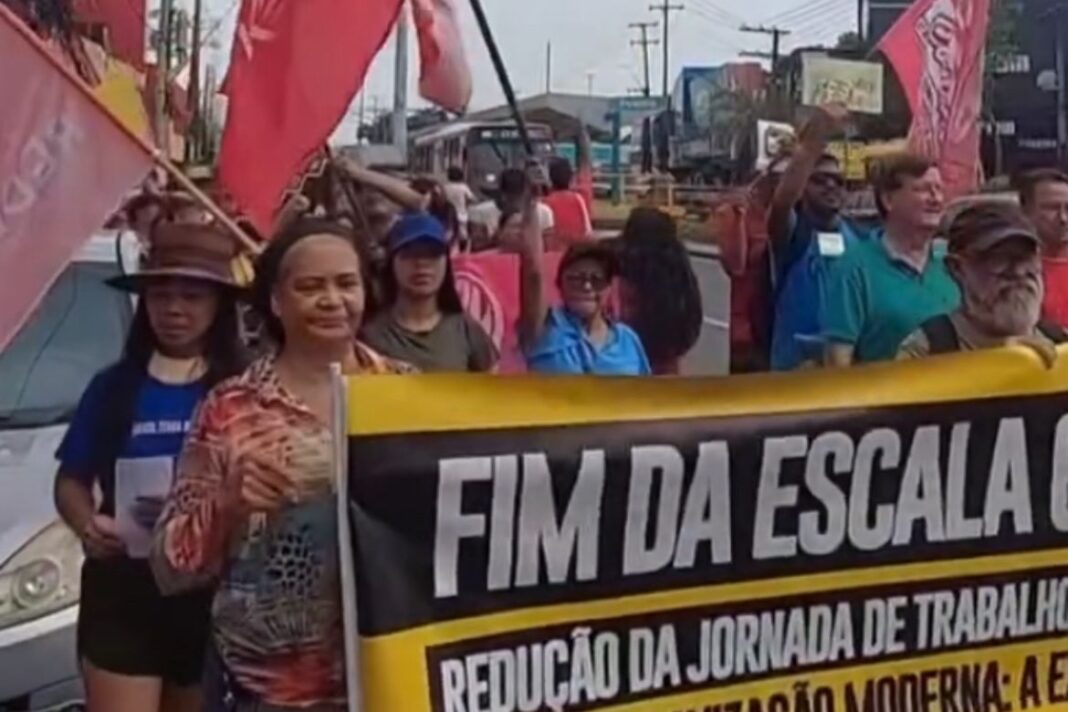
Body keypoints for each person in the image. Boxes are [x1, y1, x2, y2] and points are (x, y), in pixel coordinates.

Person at [151, 218, 414, 712]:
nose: (332, 300)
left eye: (346, 283)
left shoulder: (410, 394)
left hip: (390, 680)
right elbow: (169, 568)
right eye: (310, 287)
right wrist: (226, 506)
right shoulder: (230, 409)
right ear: (276, 301)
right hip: (264, 691)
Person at [53, 222, 246, 712]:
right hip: (123, 592)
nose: (174, 310)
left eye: (191, 296)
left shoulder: (243, 393)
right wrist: (85, 524)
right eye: (160, 295)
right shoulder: (112, 387)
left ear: (218, 305)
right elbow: (71, 481)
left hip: (211, 597)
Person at [821, 152, 959, 366]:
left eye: (939, 189)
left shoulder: (955, 262)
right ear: (888, 200)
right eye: (922, 189)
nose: (936, 198)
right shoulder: (853, 268)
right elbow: (838, 364)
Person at [898, 201, 1063, 360]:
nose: (1019, 272)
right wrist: (1000, 362)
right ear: (956, 268)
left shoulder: (1062, 344)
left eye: (1027, 259)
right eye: (999, 259)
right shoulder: (925, 350)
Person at [765, 104, 862, 370]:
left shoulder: (860, 239)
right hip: (793, 375)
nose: (831, 186)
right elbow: (782, 202)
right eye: (820, 179)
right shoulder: (793, 233)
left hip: (844, 370)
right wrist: (813, 140)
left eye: (839, 181)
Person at [515, 194, 650, 375]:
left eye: (597, 280)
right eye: (576, 279)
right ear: (559, 284)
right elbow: (533, 275)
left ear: (609, 288)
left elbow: (647, 397)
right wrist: (530, 204)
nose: (587, 286)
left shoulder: (628, 340)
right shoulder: (544, 328)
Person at [361, 212, 498, 372]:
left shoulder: (466, 330)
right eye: (410, 254)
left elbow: (492, 387)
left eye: (433, 254)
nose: (422, 264)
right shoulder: (370, 335)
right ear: (391, 263)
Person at [711, 153, 790, 372]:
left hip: (787, 327)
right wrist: (739, 217)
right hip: (748, 328)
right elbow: (735, 265)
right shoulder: (738, 214)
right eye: (778, 177)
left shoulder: (797, 216)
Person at [615, 207, 703, 374]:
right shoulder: (678, 266)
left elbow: (624, 311)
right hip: (671, 348)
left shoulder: (628, 266)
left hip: (637, 349)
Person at [1018, 169, 1068, 327]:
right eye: (1051, 208)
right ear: (1025, 211)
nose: (1063, 218)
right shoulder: (1011, 272)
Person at [469, 167, 554, 248]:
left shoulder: (543, 213)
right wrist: (498, 239)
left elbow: (548, 249)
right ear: (503, 194)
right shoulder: (479, 213)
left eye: (519, 195)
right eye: (512, 195)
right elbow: (476, 247)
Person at [543, 129, 594, 249]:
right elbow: (585, 164)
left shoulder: (544, 203)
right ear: (571, 177)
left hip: (553, 257)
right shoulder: (580, 198)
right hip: (577, 255)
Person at [442, 166, 477, 247]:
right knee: (463, 235)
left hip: (448, 214)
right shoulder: (463, 187)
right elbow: (472, 199)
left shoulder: (445, 187)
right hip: (461, 213)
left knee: (448, 234)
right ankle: (462, 251)